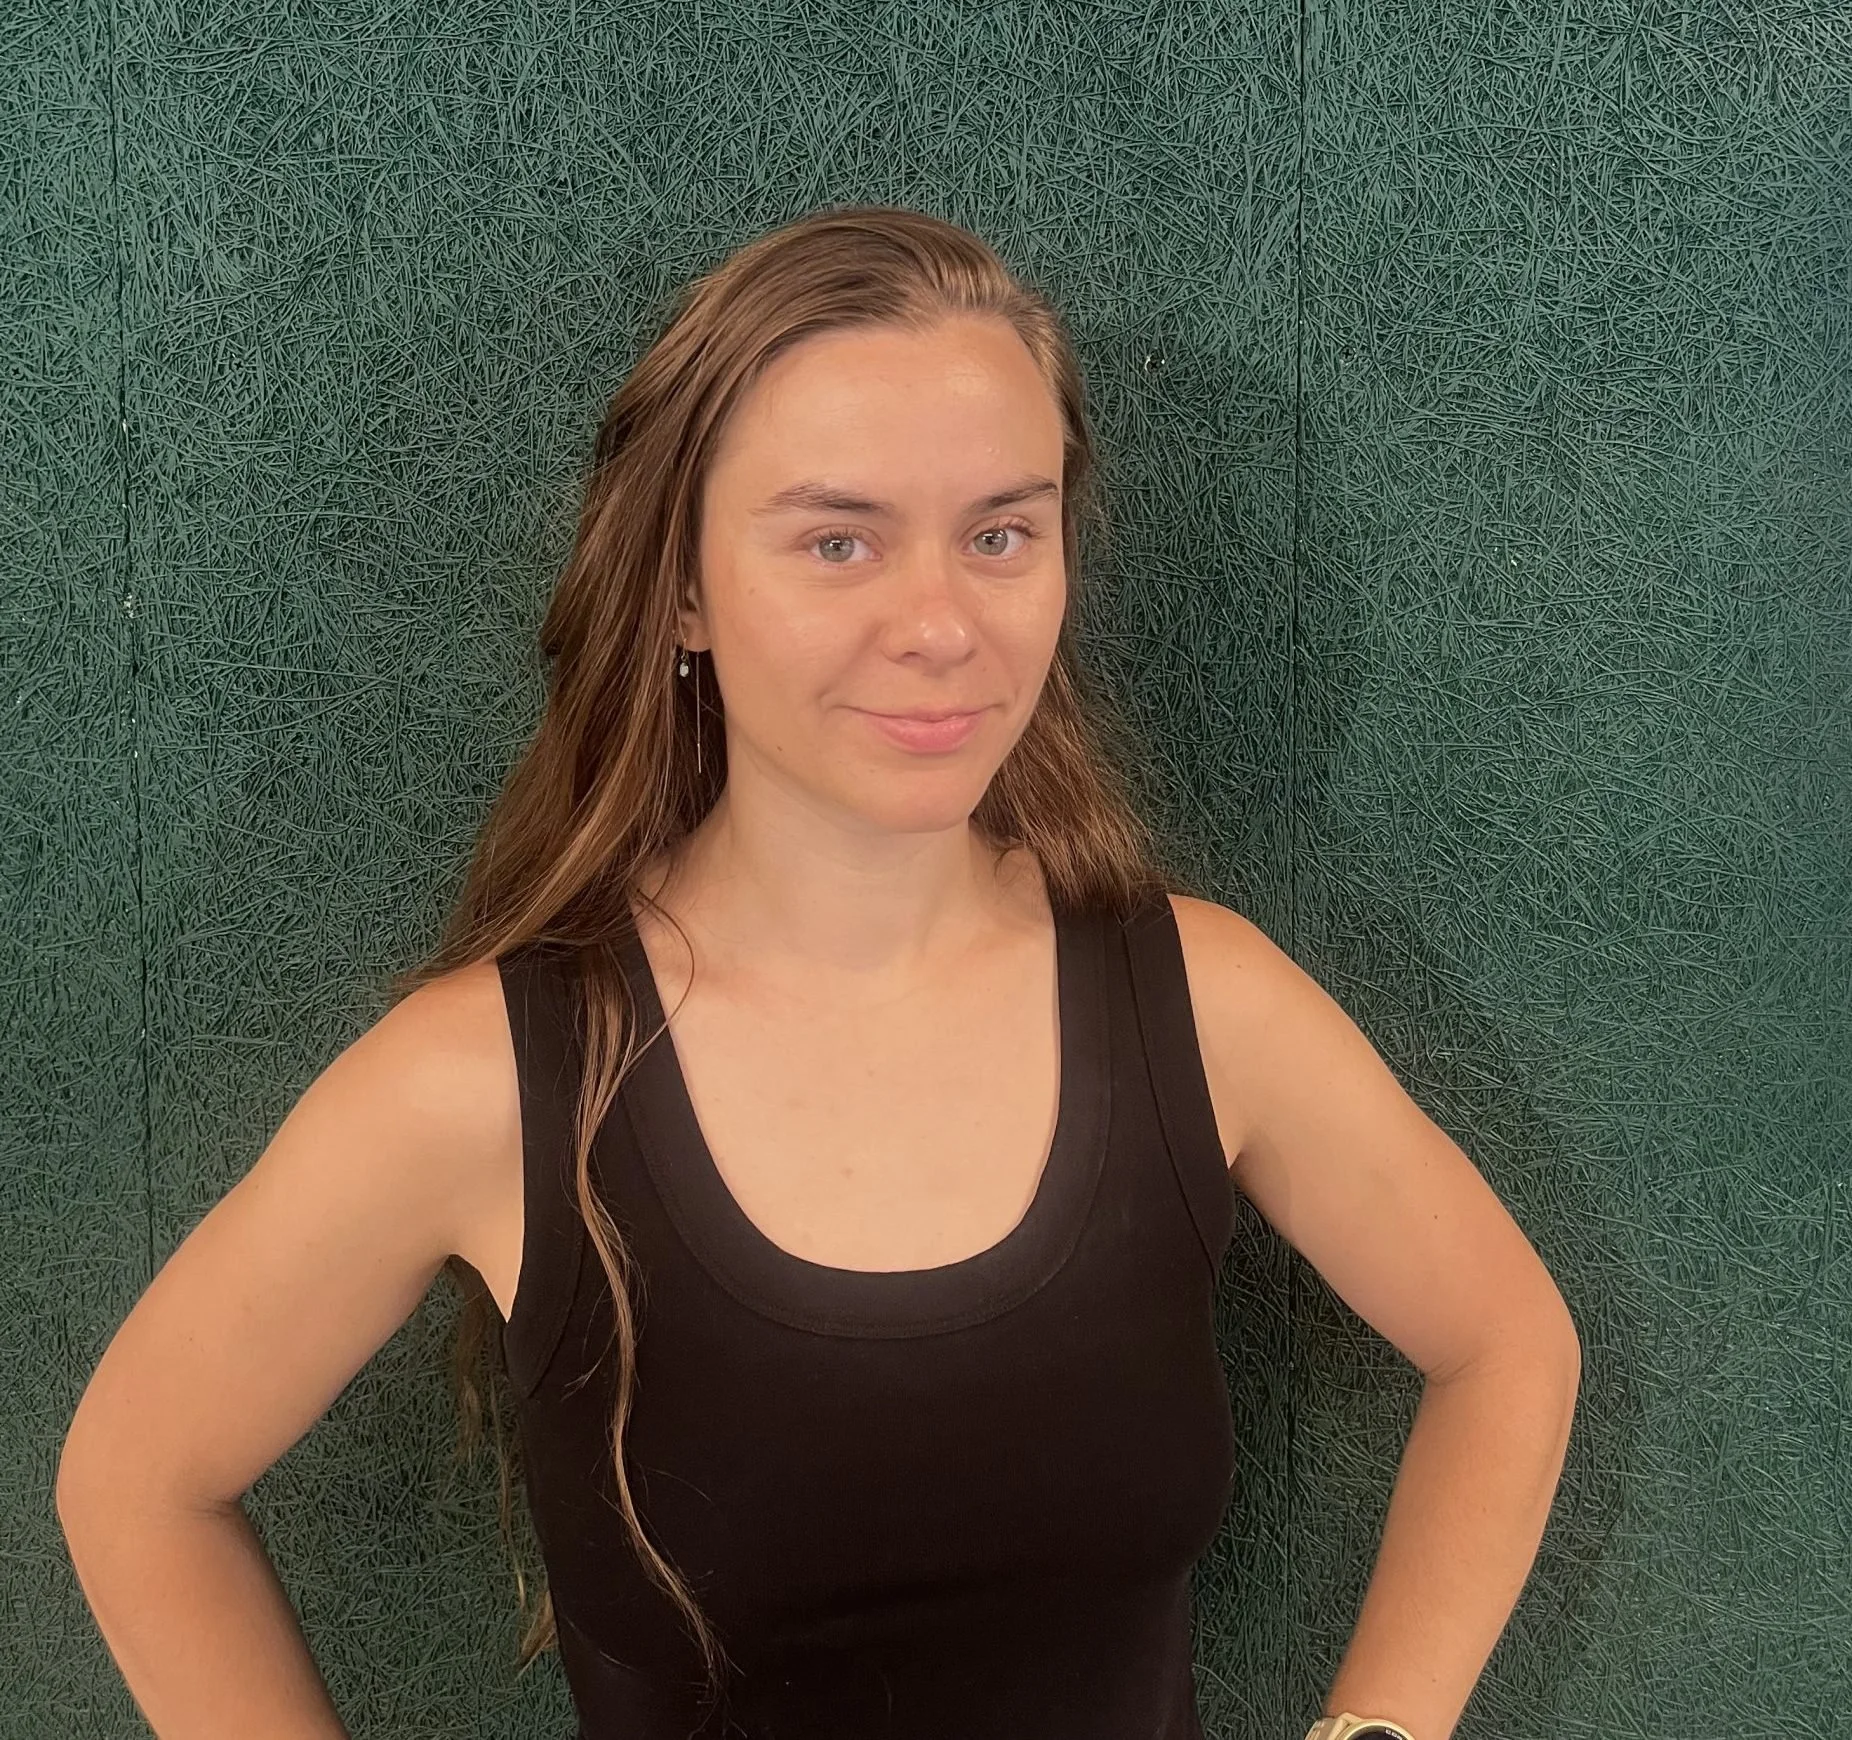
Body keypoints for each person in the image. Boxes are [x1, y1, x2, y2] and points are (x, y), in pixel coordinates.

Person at [56, 205, 1581, 1740]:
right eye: (837, 539)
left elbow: (1508, 1342)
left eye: (1001, 532)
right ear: (685, 591)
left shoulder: (1207, 1004)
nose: (939, 624)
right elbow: (136, 1483)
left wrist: (1382, 1727)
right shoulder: (486, 1084)